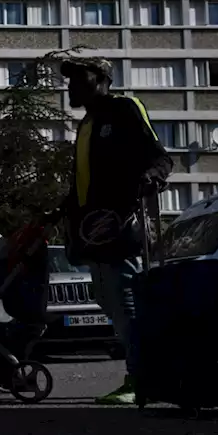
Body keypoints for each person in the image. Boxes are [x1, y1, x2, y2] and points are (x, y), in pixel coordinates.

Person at [60, 57, 173, 406]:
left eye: (79, 79)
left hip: (123, 226)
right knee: (109, 301)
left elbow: (159, 157)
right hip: (94, 233)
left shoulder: (124, 109)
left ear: (101, 79)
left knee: (125, 301)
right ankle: (146, 373)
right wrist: (64, 210)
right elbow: (85, 183)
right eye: (70, 80)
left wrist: (152, 177)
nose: (71, 87)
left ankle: (142, 379)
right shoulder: (87, 124)